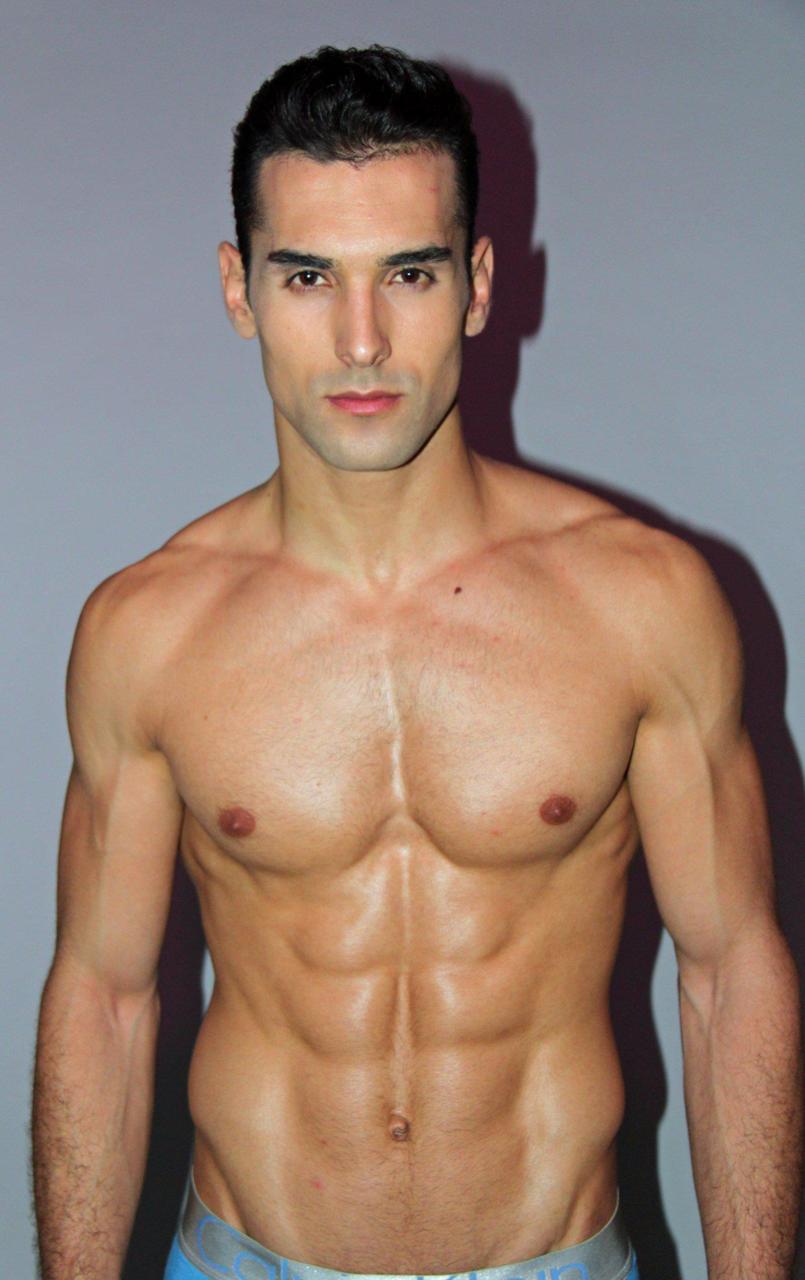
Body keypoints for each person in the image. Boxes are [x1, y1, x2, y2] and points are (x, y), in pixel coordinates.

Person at [31, 43, 801, 1280]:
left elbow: (728, 974)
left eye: (409, 271)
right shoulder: (149, 629)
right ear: (238, 288)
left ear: (477, 284)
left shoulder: (640, 602)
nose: (361, 339)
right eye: (306, 276)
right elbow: (104, 1000)